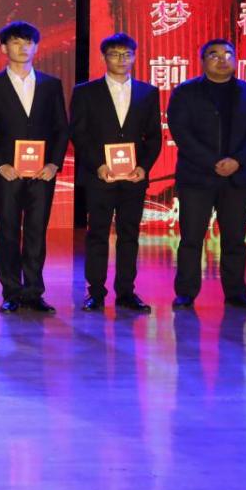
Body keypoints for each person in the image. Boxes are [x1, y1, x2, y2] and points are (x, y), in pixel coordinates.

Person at [0, 21, 69, 314]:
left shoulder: (51, 84)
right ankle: (11, 292)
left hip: (43, 172)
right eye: (16, 42)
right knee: (8, 231)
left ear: (36, 47)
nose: (22, 47)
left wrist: (54, 164)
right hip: (8, 172)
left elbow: (61, 128)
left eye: (28, 42)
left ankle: (34, 292)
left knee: (37, 232)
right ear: (4, 48)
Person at [167, 38, 246, 311]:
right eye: (214, 55)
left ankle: (236, 293)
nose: (222, 59)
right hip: (196, 177)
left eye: (228, 54)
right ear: (202, 61)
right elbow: (181, 132)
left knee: (235, 240)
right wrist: (212, 162)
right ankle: (186, 293)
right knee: (191, 239)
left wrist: (237, 160)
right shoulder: (185, 92)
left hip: (237, 177)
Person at [70, 33, 162, 313]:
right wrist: (98, 164)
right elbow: (79, 134)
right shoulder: (85, 92)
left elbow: (153, 137)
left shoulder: (148, 92)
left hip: (133, 178)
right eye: (114, 54)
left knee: (129, 235)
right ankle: (96, 292)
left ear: (134, 57)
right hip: (100, 176)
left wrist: (143, 167)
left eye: (127, 54)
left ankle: (126, 292)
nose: (121, 60)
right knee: (97, 234)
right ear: (104, 57)